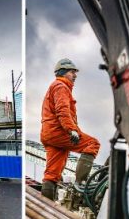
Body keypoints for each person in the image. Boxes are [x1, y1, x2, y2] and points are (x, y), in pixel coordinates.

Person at [39, 58, 100, 202]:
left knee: (52, 174)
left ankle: (47, 206)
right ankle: (81, 185)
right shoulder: (61, 86)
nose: (75, 75)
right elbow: (63, 110)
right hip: (58, 131)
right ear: (63, 72)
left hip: (49, 134)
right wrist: (72, 130)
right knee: (93, 144)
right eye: (72, 72)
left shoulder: (54, 86)